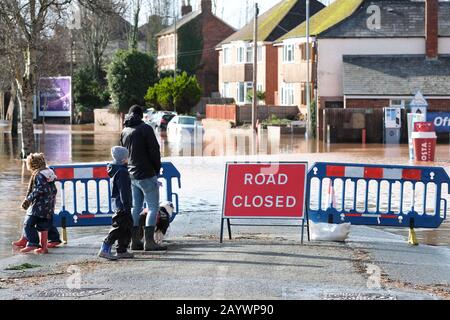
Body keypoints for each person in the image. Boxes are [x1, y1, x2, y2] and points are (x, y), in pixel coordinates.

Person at [121, 105, 166, 251]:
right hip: (146, 173)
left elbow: (123, 154)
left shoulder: (124, 131)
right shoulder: (146, 129)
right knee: (153, 207)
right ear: (141, 116)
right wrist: (156, 169)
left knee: (137, 207)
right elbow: (154, 151)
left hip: (132, 175)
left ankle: (135, 241)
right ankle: (149, 242)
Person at [12, 153, 57, 254]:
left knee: (28, 224)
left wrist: (28, 200)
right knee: (43, 227)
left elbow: (38, 190)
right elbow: (53, 189)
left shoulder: (38, 175)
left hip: (38, 206)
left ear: (32, 164)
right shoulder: (49, 172)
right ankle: (44, 248)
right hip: (48, 206)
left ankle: (32, 244)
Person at [98, 147, 134, 260]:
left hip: (118, 203)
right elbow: (124, 191)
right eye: (127, 157)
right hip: (122, 204)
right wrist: (126, 205)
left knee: (127, 226)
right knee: (119, 227)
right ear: (123, 159)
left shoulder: (116, 169)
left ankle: (122, 249)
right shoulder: (122, 172)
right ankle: (105, 247)